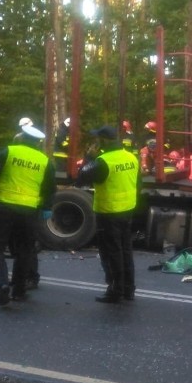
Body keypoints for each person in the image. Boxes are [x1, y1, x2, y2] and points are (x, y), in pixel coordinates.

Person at [0, 124, 56, 305]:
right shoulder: (44, 160)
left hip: (4, 208)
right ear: (37, 143)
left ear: (22, 138)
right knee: (25, 250)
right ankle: (19, 290)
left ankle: (1, 284)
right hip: (29, 211)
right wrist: (46, 207)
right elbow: (50, 188)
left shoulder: (9, 152)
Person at [76, 125, 140, 303]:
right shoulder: (131, 157)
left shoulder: (103, 161)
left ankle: (115, 289)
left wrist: (88, 156)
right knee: (126, 250)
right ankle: (128, 289)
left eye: (98, 139)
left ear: (103, 141)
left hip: (109, 212)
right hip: (127, 210)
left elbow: (80, 179)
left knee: (112, 252)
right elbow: (138, 183)